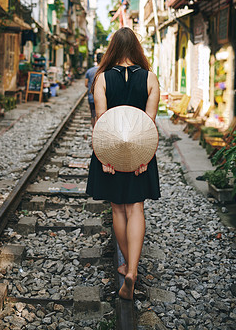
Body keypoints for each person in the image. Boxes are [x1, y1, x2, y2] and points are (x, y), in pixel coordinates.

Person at [86, 27, 161, 300]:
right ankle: (132, 270)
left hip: (111, 148)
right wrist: (144, 155)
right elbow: (149, 123)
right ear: (137, 49)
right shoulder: (150, 78)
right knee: (136, 207)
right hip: (141, 148)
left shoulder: (102, 78)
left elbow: (102, 121)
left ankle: (127, 265)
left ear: (113, 49)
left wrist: (105, 155)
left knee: (118, 208)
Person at [85, 52, 104, 127]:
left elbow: (86, 84)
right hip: (103, 98)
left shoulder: (89, 71)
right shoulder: (105, 71)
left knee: (93, 115)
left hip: (92, 98)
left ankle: (94, 130)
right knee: (102, 116)